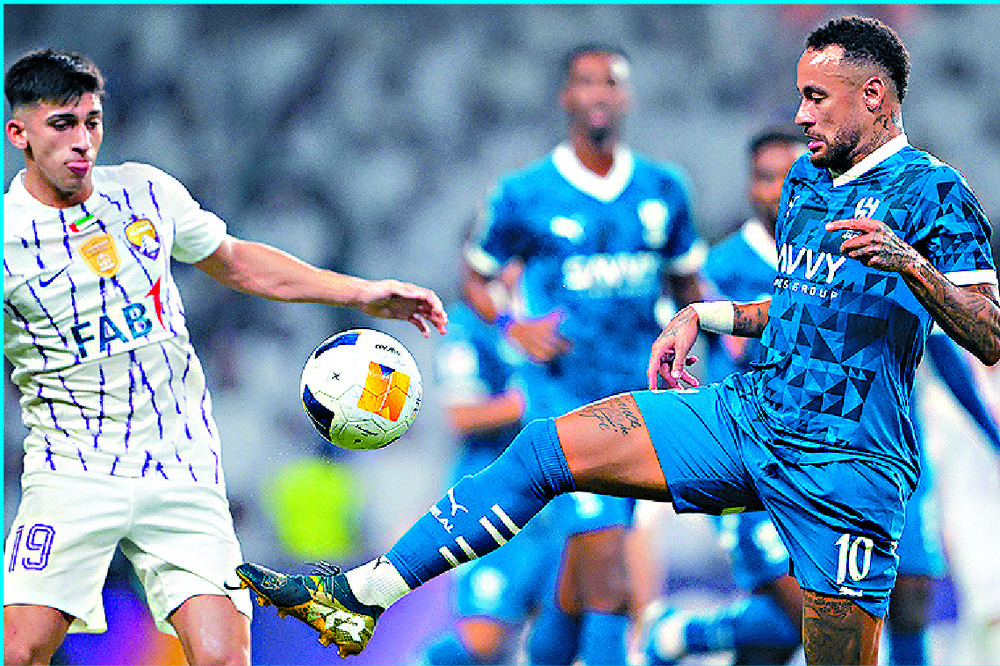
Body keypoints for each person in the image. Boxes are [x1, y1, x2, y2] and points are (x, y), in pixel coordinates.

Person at [236, 15, 1000, 666]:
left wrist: (911, 265)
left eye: (815, 97)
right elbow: (805, 308)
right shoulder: (807, 185)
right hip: (748, 419)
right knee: (545, 450)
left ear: (875, 96)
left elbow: (988, 334)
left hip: (849, 465)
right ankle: (362, 595)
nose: (801, 116)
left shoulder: (937, 196)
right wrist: (707, 317)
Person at [2, 48, 447, 666]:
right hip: (73, 467)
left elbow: (235, 260)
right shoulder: (7, 237)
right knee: (20, 650)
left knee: (222, 657)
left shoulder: (146, 193)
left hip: (178, 461)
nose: (83, 141)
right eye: (63, 125)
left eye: (92, 121)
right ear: (18, 132)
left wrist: (360, 293)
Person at [639, 127, 1000, 666]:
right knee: (805, 619)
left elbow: (945, 348)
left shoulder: (863, 240)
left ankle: (685, 635)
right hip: (770, 458)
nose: (779, 188)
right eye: (765, 178)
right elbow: (693, 362)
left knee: (908, 600)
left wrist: (993, 434)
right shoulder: (720, 268)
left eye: (789, 174)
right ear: (749, 188)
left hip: (878, 446)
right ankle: (686, 634)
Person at [459, 43, 707, 665]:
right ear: (566, 96)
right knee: (610, 574)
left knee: (581, 585)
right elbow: (474, 274)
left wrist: (693, 340)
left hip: (639, 398)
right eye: (586, 82)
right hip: (565, 399)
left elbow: (687, 288)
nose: (599, 93)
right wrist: (513, 324)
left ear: (625, 96)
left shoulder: (663, 188)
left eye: (612, 82)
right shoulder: (524, 192)